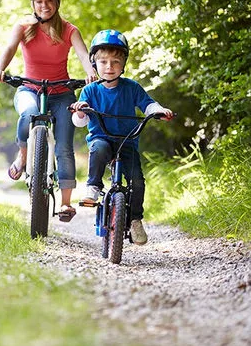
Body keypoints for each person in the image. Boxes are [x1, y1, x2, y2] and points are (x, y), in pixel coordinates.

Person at [0, 0, 97, 222]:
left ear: (57, 3)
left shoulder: (70, 30)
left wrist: (90, 71)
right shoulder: (24, 26)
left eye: (49, 0)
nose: (44, 5)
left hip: (61, 93)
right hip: (30, 89)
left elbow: (83, 54)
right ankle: (24, 154)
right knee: (27, 113)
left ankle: (66, 203)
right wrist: (0, 68)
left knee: (64, 147)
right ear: (32, 4)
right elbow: (9, 48)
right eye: (38, 1)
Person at [70, 29, 174, 245]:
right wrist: (81, 110)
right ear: (94, 63)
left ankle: (136, 220)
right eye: (104, 62)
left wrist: (159, 110)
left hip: (127, 141)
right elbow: (80, 121)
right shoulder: (90, 90)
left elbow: (147, 104)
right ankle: (93, 186)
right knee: (98, 149)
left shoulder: (132, 87)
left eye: (116, 62)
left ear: (124, 63)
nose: (109, 67)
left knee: (137, 180)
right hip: (102, 138)